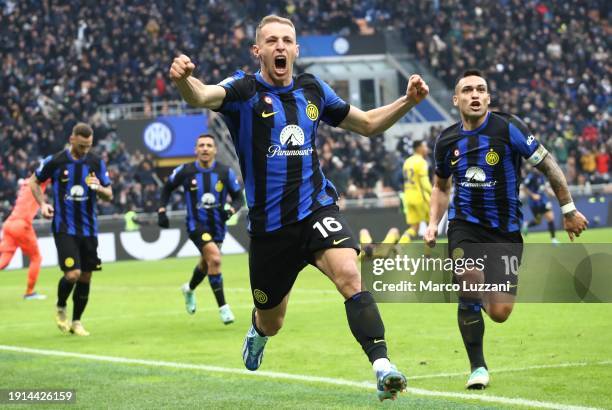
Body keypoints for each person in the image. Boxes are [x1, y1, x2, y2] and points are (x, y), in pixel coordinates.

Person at [169, 14, 429, 401]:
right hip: (270, 230)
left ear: (295, 49)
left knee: (349, 276)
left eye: (286, 40)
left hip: (316, 210)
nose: (279, 47)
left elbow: (368, 124)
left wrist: (408, 101)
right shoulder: (242, 90)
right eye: (271, 41)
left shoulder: (313, 89)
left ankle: (382, 366)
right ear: (257, 50)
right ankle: (258, 332)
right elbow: (202, 95)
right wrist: (181, 80)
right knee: (273, 322)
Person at [424, 70, 588, 389]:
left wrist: (568, 209)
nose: (475, 94)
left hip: (506, 232)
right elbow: (441, 187)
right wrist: (433, 224)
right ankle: (478, 367)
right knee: (469, 280)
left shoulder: (509, 127)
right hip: (465, 225)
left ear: (488, 98)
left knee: (500, 312)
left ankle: (474, 292)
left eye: (481, 90)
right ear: (456, 99)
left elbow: (549, 165)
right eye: (468, 90)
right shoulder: (446, 141)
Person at [30, 123, 113, 336]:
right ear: (72, 139)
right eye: (82, 145)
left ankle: (77, 322)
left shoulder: (96, 162)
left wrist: (99, 188)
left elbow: (109, 194)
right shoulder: (56, 161)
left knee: (86, 277)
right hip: (64, 227)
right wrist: (42, 204)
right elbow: (34, 181)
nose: (85, 150)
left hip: (89, 229)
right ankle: (60, 306)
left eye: (89, 146)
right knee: (73, 274)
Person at [157, 134, 244, 325]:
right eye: (201, 145)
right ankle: (224, 308)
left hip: (218, 226)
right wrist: (162, 210)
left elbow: (239, 198)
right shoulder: (186, 171)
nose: (205, 148)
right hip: (196, 224)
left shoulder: (225, 172)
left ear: (215, 150)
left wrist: (231, 210)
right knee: (215, 258)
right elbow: (167, 188)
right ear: (196, 150)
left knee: (206, 265)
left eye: (209, 145)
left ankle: (188, 288)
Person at [0, 174, 50, 299]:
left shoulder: (25, 184)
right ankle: (29, 292)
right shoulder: (38, 182)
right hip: (21, 225)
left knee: (4, 260)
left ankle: (30, 292)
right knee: (36, 258)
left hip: (9, 223)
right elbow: (53, 172)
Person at [400, 139, 432, 242]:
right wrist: (434, 194)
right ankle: (428, 255)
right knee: (430, 226)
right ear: (419, 148)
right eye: (425, 146)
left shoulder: (407, 161)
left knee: (414, 227)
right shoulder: (421, 162)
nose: (427, 149)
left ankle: (400, 246)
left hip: (408, 197)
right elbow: (425, 183)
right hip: (420, 198)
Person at [521, 166, 559, 244]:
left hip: (543, 201)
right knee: (538, 221)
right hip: (534, 203)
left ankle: (553, 239)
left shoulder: (542, 176)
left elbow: (544, 186)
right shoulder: (531, 176)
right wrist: (532, 195)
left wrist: (549, 192)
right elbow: (524, 187)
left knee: (550, 218)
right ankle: (526, 224)